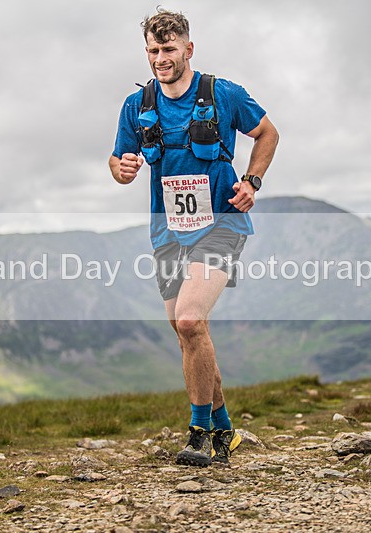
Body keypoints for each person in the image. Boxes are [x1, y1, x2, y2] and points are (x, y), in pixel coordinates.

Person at [109, 9, 278, 467]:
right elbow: (118, 160)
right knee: (188, 334)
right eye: (153, 51)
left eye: (168, 49)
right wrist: (122, 170)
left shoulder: (224, 93)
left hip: (221, 223)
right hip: (167, 231)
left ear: (188, 48)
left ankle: (199, 432)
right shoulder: (136, 105)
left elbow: (267, 133)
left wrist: (252, 181)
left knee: (188, 320)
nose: (160, 59)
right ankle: (226, 431)